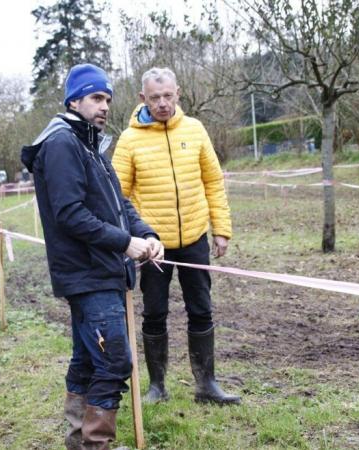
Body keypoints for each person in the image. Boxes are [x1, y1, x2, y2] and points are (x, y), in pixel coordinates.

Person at [21, 63, 164, 450]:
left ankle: (78, 442)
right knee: (115, 363)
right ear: (74, 100)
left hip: (101, 272)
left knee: (88, 362)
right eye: (96, 98)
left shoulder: (90, 144)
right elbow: (70, 214)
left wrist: (146, 234)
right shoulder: (63, 144)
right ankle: (95, 444)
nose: (104, 106)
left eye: (107, 99)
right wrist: (124, 243)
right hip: (89, 275)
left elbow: (119, 204)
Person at [112, 67, 241, 405]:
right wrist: (130, 240)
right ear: (143, 99)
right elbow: (117, 195)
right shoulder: (129, 140)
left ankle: (206, 385)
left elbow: (213, 181)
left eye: (168, 95)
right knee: (154, 313)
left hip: (196, 237)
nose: (163, 103)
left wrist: (221, 229)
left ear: (178, 93)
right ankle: (157, 387)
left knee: (202, 309)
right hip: (153, 247)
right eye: (155, 97)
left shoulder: (196, 130)